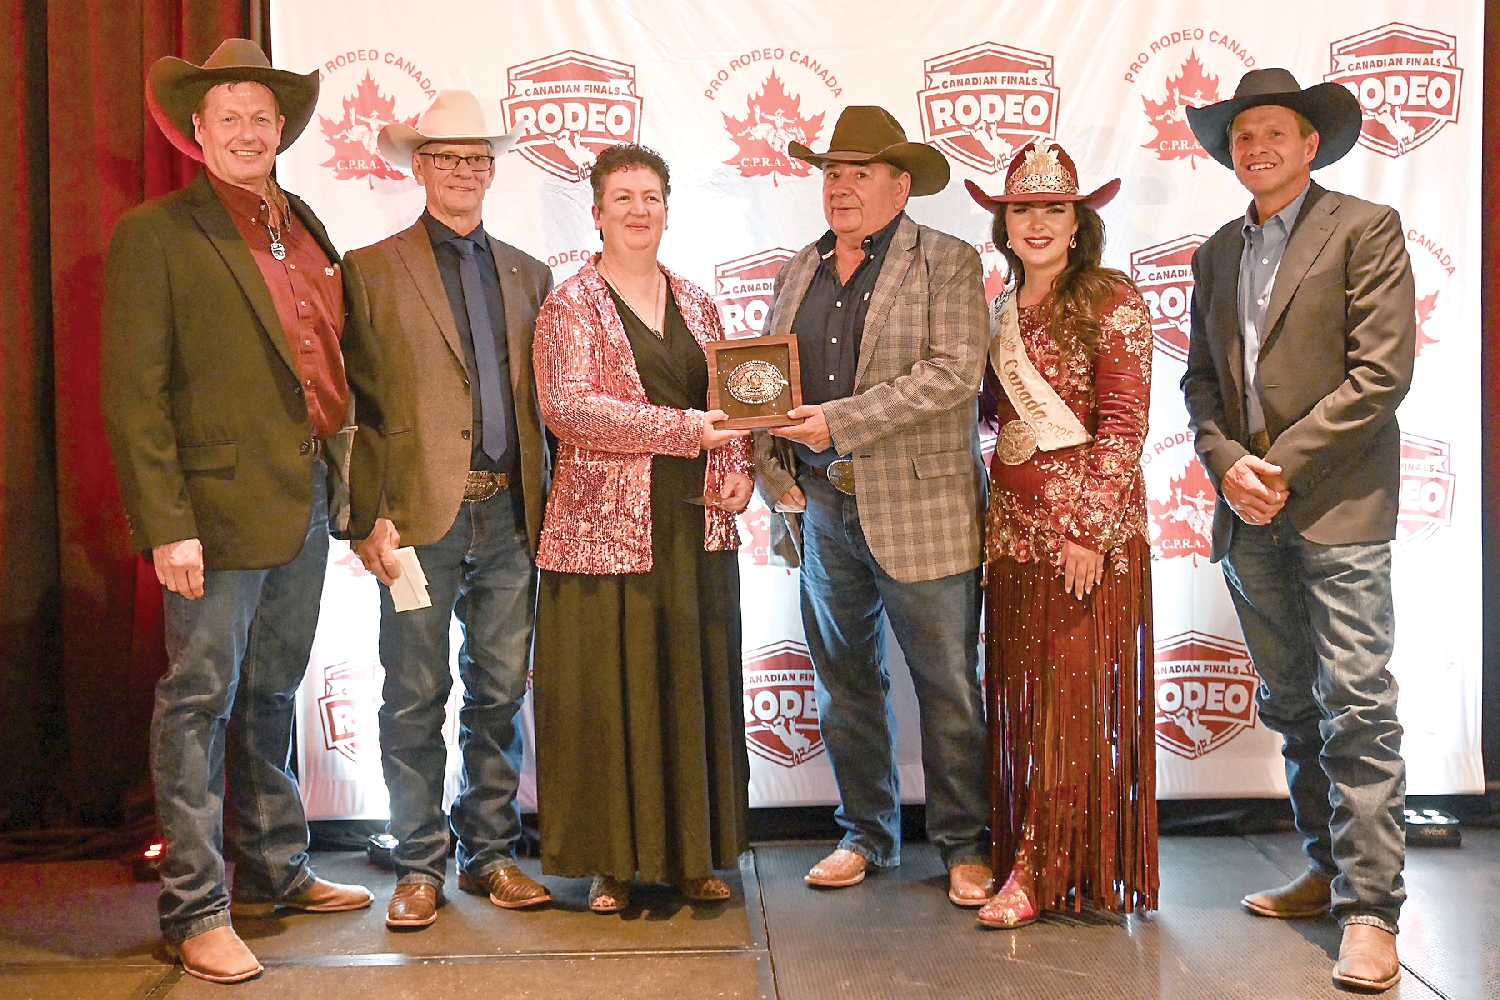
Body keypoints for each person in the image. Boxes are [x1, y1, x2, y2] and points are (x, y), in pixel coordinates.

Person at [100, 38, 374, 984]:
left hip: (301, 498)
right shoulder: (158, 232)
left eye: (264, 117)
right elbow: (136, 396)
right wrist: (166, 522)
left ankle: (273, 870)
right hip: (209, 515)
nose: (250, 131)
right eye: (231, 118)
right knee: (198, 700)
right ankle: (195, 908)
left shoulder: (301, 224)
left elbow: (330, 361)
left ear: (282, 131)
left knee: (269, 693)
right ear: (198, 133)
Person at [1183, 69, 1415, 992]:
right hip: (1248, 514)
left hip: (1339, 509)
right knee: (1291, 705)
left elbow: (1381, 373)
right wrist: (1226, 460)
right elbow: (1201, 382)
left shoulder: (1364, 228)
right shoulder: (1215, 252)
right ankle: (1327, 870)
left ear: (1311, 144)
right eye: (1243, 137)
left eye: (1274, 133)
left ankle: (1373, 912)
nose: (1257, 148)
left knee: (1356, 705)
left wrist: (1278, 464)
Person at [753, 106, 993, 906]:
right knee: (845, 682)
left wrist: (839, 422)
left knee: (949, 687)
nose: (842, 186)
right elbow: (762, 382)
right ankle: (867, 833)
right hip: (821, 510)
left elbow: (955, 373)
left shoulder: (950, 262)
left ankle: (964, 845)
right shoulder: (800, 268)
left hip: (922, 510)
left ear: (901, 185)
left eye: (860, 173)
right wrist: (771, 468)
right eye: (832, 172)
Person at [346, 90, 554, 929]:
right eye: (446, 158)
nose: (463, 171)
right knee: (413, 694)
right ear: (419, 168)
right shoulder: (367, 267)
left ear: (493, 172)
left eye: (477, 159)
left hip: (510, 515)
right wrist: (366, 515)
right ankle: (420, 862)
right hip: (416, 523)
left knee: (500, 691)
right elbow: (352, 405)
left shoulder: (530, 273)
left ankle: (492, 855)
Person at [530, 144, 754, 914]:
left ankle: (694, 856)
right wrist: (691, 430)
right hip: (603, 537)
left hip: (695, 529)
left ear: (667, 208)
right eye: (621, 197)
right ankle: (612, 864)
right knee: (608, 694)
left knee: (689, 686)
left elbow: (739, 405)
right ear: (596, 214)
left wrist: (739, 468)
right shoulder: (569, 305)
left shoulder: (700, 302)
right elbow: (569, 409)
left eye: (650, 196)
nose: (637, 210)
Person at [963, 140, 1157, 929]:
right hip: (1010, 537)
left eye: (1052, 208)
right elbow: (988, 415)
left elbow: (1124, 427)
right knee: (1030, 701)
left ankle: (1046, 869)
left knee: (1069, 706)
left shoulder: (1113, 300)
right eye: (1021, 210)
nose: (1036, 223)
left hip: (1086, 542)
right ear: (1004, 225)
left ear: (1078, 222)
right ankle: (1036, 856)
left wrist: (1086, 528)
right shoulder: (1001, 308)